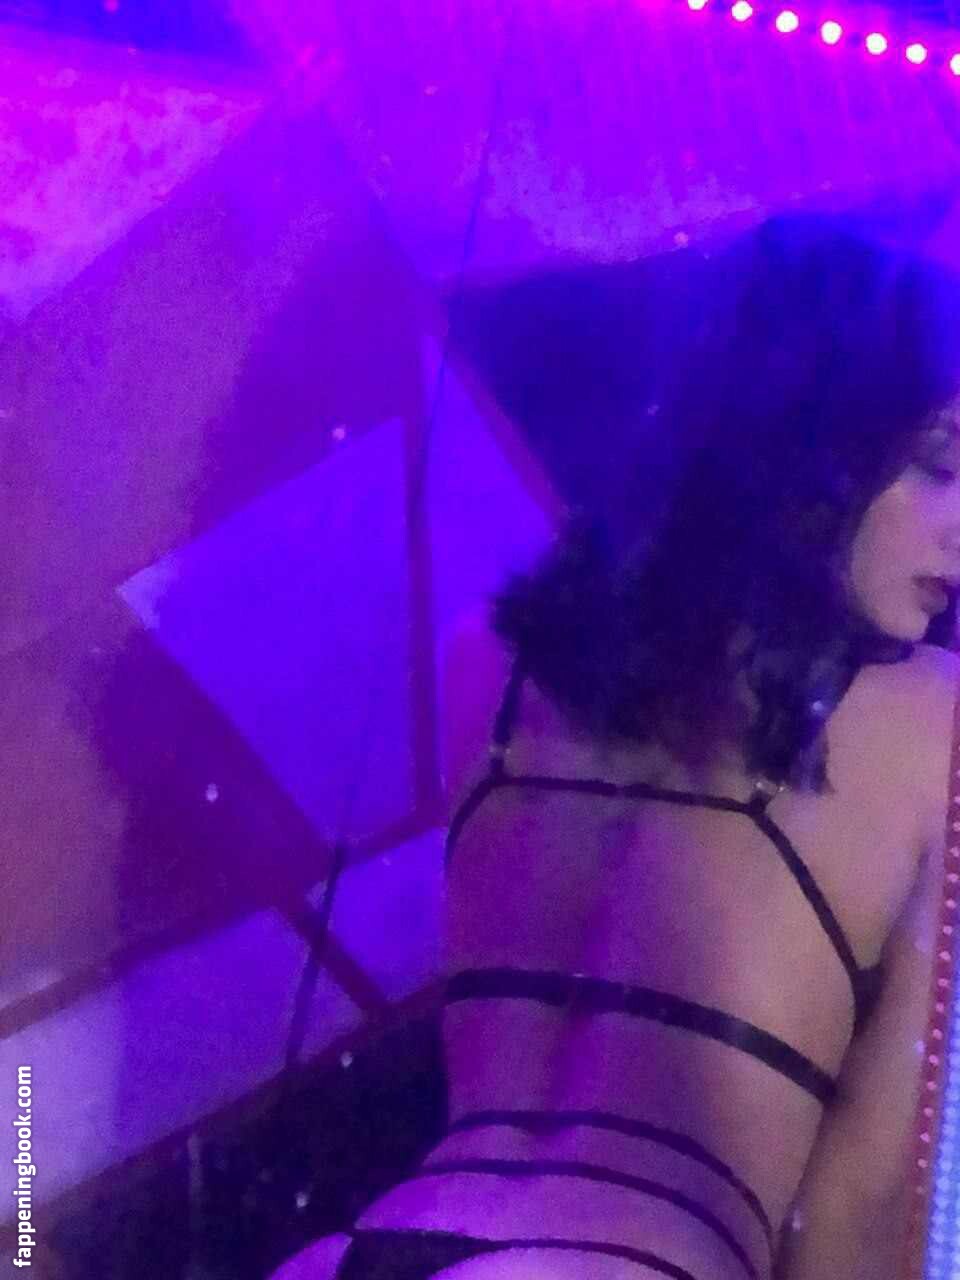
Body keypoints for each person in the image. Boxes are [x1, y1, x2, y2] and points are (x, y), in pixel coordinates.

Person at [270, 212, 960, 1280]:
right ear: (816, 438)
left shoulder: (496, 665)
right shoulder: (936, 722)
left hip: (365, 1247)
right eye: (938, 464)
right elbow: (859, 1214)